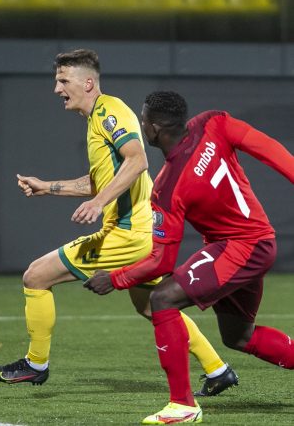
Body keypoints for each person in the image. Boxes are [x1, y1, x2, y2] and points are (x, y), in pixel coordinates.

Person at [0, 50, 234, 392]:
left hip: (128, 233)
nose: (57, 89)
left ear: (87, 83)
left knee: (35, 276)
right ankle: (217, 369)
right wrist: (49, 187)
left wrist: (99, 203)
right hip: (142, 232)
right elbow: (102, 179)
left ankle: (35, 364)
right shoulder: (96, 120)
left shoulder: (110, 111)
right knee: (152, 306)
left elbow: (137, 162)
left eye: (63, 81)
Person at [87, 91, 294, 424]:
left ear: (154, 129)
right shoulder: (214, 122)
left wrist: (114, 278)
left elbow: (161, 264)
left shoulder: (168, 187)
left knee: (163, 298)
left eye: (143, 121)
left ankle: (182, 405)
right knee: (238, 336)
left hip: (241, 247)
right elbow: (267, 147)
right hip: (255, 241)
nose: (142, 126)